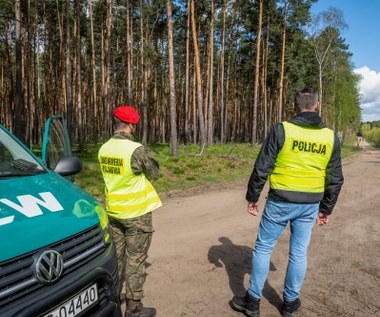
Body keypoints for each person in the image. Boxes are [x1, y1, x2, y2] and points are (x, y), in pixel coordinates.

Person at [231, 88, 344, 317]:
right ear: (317, 106)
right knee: (299, 252)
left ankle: (252, 301)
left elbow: (262, 167)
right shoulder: (330, 137)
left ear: (294, 106)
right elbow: (335, 177)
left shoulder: (282, 129)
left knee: (263, 247)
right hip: (310, 204)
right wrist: (326, 208)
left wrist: (253, 197)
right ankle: (290, 303)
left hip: (280, 201)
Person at [98, 105, 162, 317]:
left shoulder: (103, 148)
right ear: (131, 124)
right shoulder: (135, 149)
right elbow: (155, 173)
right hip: (136, 214)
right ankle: (134, 308)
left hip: (114, 212)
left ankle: (113, 297)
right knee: (135, 260)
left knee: (116, 258)